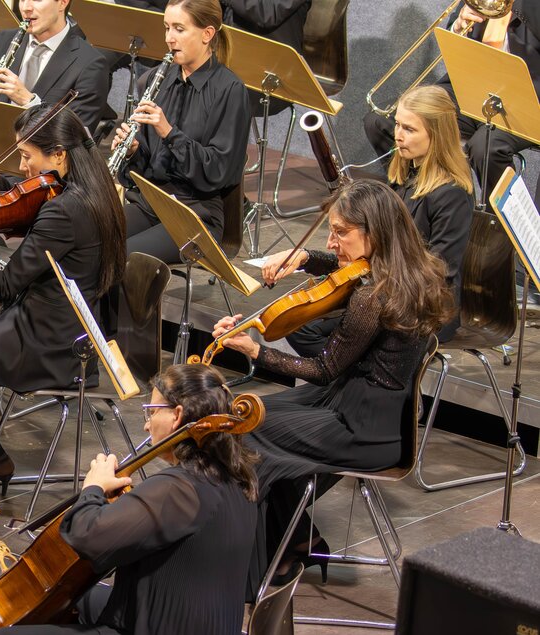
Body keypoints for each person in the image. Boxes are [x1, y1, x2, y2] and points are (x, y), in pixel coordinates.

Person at [212, 180, 454, 584]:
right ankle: (294, 543)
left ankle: (263, 560)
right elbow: (345, 267)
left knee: (246, 428)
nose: (332, 240)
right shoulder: (411, 270)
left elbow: (324, 368)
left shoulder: (370, 299)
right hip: (377, 410)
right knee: (252, 417)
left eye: (341, 232)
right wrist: (308, 257)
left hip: (360, 426)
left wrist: (256, 352)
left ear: (374, 233)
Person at [0, 105, 126, 486]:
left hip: (47, 347)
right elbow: (32, 196)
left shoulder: (64, 213)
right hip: (68, 331)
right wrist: (0, 184)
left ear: (59, 155)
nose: (22, 165)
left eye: (26, 156)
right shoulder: (95, 191)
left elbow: (5, 285)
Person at [0, 365, 259, 635]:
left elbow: (86, 535)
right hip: (201, 622)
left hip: (158, 626)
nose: (147, 424)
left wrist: (94, 488)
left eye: (151, 411)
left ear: (177, 416)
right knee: (74, 601)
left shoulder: (179, 489)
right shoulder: (239, 478)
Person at [283, 84, 473, 356]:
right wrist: (306, 258)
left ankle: (350, 377)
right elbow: (373, 254)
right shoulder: (404, 178)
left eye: (409, 129)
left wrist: (374, 292)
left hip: (423, 308)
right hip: (387, 290)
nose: (397, 136)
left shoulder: (452, 195)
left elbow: (441, 273)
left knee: (327, 337)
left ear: (437, 135)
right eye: (397, 125)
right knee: (298, 325)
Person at [112, 0, 250, 264]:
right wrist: (132, 152)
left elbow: (218, 171)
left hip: (196, 213)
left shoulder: (230, 90)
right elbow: (142, 171)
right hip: (151, 201)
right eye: (166, 28)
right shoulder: (153, 80)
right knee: (91, 241)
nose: (169, 38)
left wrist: (169, 132)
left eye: (179, 29)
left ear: (207, 34)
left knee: (124, 257)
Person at [363, 0, 540, 205]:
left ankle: (500, 229)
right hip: (468, 88)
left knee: (487, 147)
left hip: (526, 100)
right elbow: (454, 35)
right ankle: (429, 204)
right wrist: (458, 26)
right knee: (381, 121)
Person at [0, 0, 113, 163]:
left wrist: (29, 102)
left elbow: (73, 140)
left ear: (63, 3)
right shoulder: (3, 40)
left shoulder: (91, 64)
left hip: (37, 171)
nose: (26, 8)